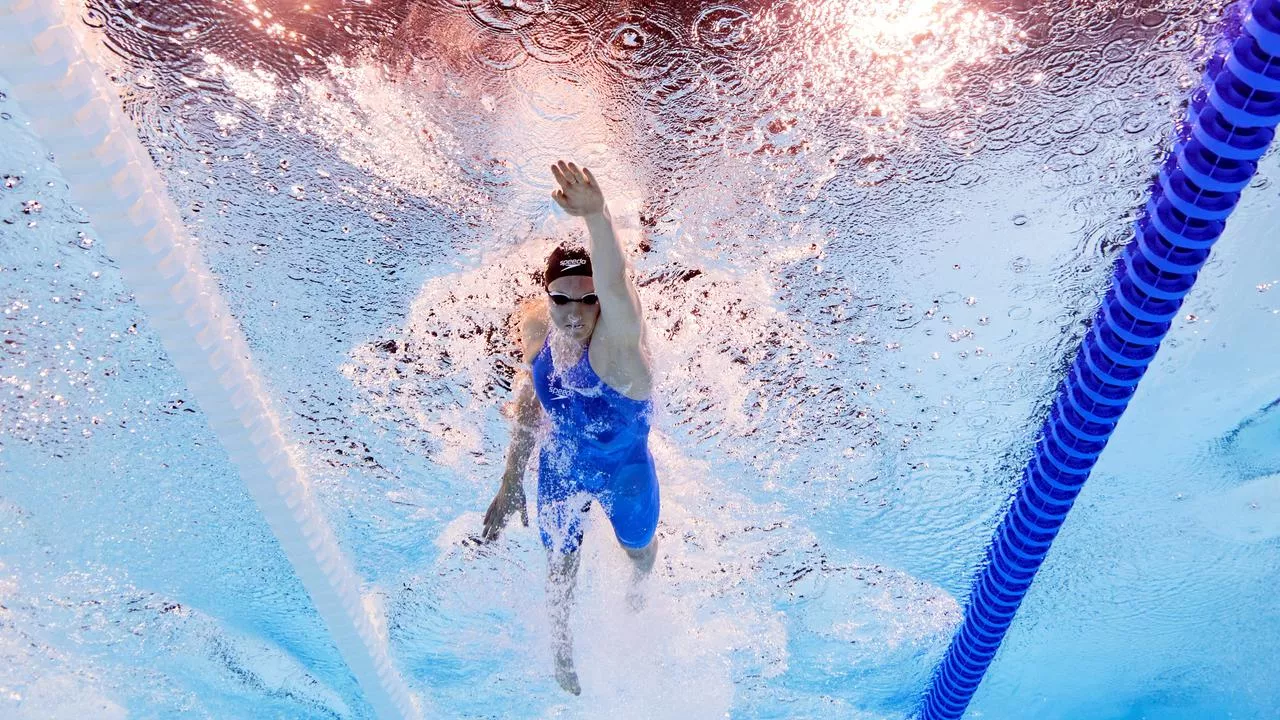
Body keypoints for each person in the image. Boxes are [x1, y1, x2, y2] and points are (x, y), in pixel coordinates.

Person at [481, 160, 660, 695]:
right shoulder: (540, 323)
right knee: (560, 560)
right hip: (562, 463)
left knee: (640, 550)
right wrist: (510, 481)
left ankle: (639, 588)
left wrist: (597, 217)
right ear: (548, 296)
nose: (576, 313)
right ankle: (561, 649)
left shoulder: (617, 350)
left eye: (589, 300)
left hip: (625, 472)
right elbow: (532, 399)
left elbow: (615, 285)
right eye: (563, 298)